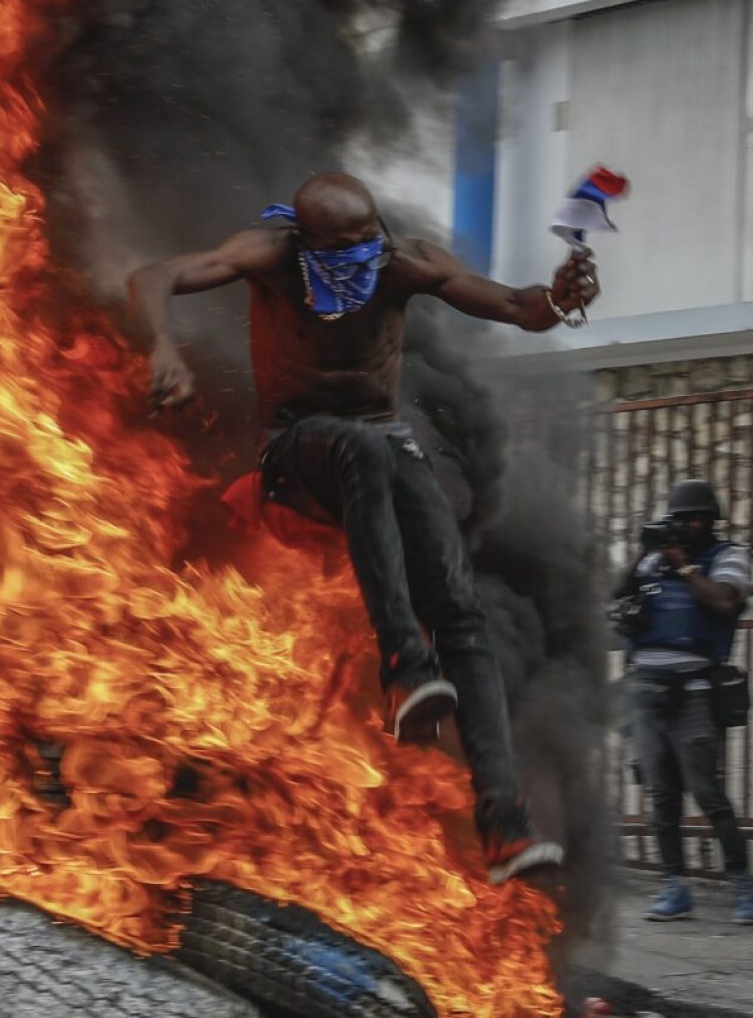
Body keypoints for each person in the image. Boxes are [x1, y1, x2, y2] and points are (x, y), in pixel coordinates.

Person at [127, 171, 598, 883]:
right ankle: (405, 670)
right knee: (365, 444)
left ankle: (504, 822)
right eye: (339, 248)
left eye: (366, 242)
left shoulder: (401, 260)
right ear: (305, 240)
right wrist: (163, 346)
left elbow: (514, 305)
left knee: (461, 614)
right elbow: (155, 274)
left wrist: (557, 301)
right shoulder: (271, 253)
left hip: (381, 445)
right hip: (297, 451)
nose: (359, 258)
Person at [613, 480, 753, 923]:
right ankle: (674, 888)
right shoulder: (655, 560)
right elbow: (614, 596)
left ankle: (744, 887)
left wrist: (685, 566)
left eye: (695, 518)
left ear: (711, 521)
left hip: (693, 691)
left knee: (709, 795)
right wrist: (642, 554)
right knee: (661, 796)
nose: (687, 526)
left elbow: (725, 601)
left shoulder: (728, 556)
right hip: (645, 692)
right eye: (681, 519)